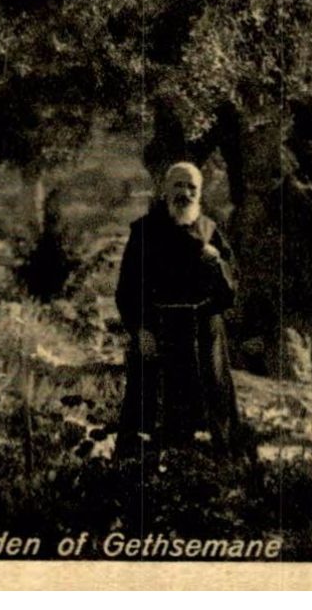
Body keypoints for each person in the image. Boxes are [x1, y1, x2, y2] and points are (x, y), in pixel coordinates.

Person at [114, 161, 243, 457]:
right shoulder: (145, 231)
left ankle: (213, 473)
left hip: (205, 335)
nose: (185, 193)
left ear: (200, 193)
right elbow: (127, 289)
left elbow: (231, 291)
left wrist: (216, 262)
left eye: (192, 187)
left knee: (212, 409)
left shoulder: (210, 230)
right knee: (153, 413)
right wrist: (140, 330)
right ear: (164, 189)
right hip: (160, 332)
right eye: (178, 185)